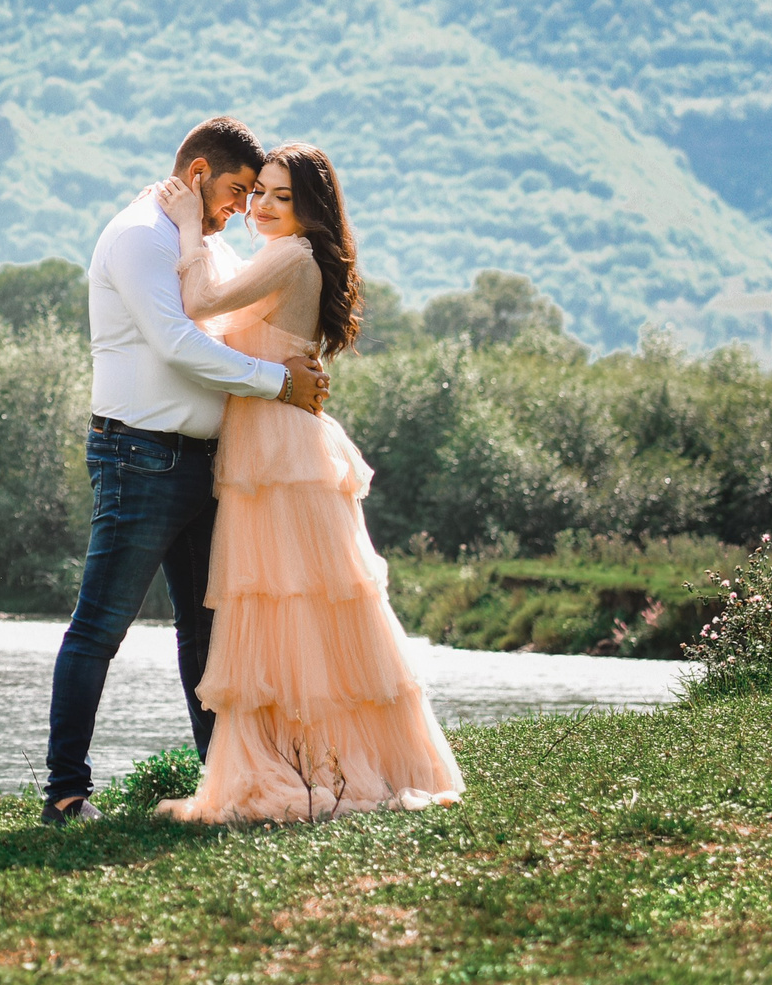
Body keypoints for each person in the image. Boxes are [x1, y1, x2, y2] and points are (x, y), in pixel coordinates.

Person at [152, 143, 462, 821]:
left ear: (311, 206)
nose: (261, 205)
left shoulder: (290, 256)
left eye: (279, 196)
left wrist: (183, 222)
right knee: (303, 607)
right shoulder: (291, 256)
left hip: (276, 454)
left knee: (287, 604)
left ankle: (314, 764)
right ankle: (322, 756)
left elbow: (200, 297)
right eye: (257, 191)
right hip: (277, 444)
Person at [41, 116, 329, 826]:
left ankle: (222, 786)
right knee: (100, 625)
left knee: (208, 636)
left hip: (205, 462)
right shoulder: (141, 236)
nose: (241, 207)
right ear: (198, 174)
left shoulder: (201, 243)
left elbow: (236, 316)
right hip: (139, 454)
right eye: (235, 190)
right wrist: (277, 381)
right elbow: (176, 343)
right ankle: (66, 792)